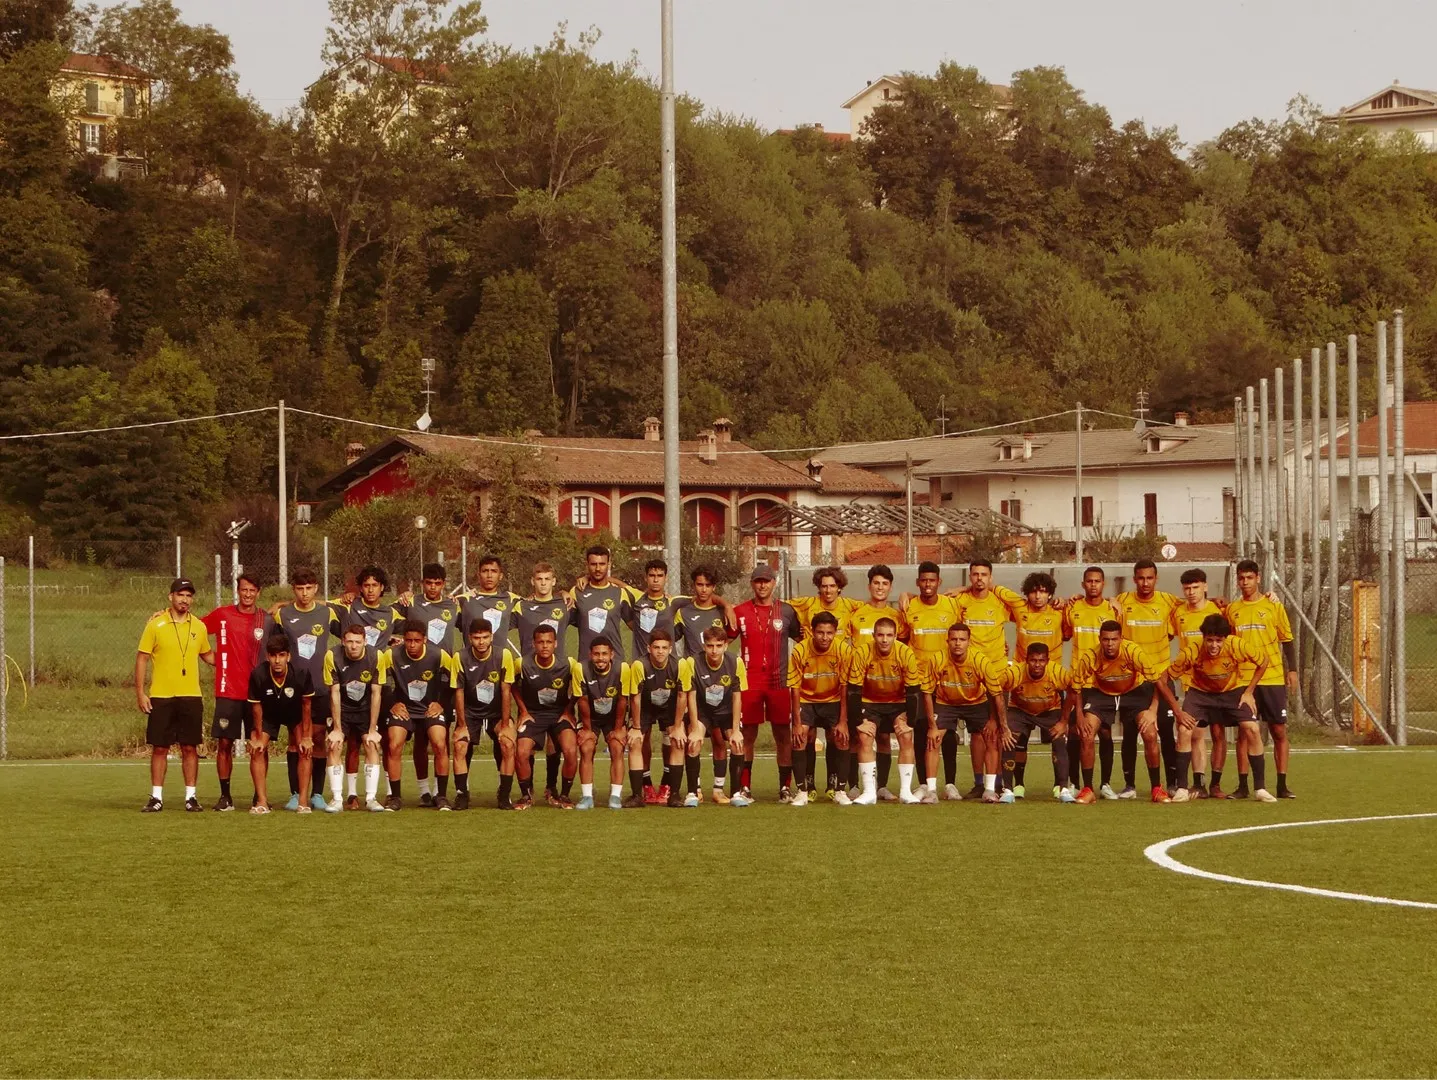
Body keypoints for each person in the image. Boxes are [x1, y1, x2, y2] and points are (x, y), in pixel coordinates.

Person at [627, 558, 734, 796]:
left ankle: (669, 783)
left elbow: (705, 597)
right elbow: (616, 586)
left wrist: (726, 604)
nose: (655, 580)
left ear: (666, 578)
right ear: (646, 577)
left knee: (674, 733)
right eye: (651, 575)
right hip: (643, 674)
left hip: (676, 676)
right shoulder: (635, 598)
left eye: (660, 575)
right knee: (641, 736)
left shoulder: (675, 603)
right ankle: (645, 784)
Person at [1157, 613, 1276, 802]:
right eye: (1210, 640)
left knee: (1252, 729)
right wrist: (1178, 711)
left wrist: (1248, 692)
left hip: (1231, 692)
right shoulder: (1191, 652)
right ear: (1203, 637)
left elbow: (1263, 662)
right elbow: (1162, 681)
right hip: (1200, 694)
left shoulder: (1237, 646)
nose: (1214, 645)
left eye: (1218, 641)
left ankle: (1260, 788)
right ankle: (1182, 788)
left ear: (1225, 639)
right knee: (1184, 730)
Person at [135, 578, 215, 812]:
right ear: (171, 596)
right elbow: (142, 658)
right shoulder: (155, 624)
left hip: (190, 695)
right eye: (180, 594)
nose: (184, 599)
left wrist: (232, 661)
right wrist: (140, 693)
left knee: (190, 747)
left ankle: (191, 797)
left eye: (189, 595)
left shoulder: (198, 626)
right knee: (160, 747)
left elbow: (208, 655)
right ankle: (156, 797)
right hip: (161, 695)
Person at [272, 568, 347, 811]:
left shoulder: (327, 613)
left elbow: (351, 632)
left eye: (309, 588)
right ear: (294, 589)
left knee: (319, 741)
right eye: (299, 588)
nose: (304, 593)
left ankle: (317, 794)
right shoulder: (283, 615)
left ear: (316, 588)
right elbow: (274, 646)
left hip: (321, 687)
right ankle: (295, 794)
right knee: (295, 740)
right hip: (293, 690)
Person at [1071, 621, 1170, 802]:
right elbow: (1075, 688)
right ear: (1099, 639)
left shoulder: (1133, 652)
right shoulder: (1090, 656)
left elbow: (1158, 682)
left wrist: (1154, 710)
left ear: (1121, 639)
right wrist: (1079, 716)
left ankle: (1157, 788)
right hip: (1101, 693)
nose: (1110, 644)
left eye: (1114, 639)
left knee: (1149, 733)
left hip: (1133, 692)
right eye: (1106, 640)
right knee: (1086, 734)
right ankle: (1088, 789)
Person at [1225, 559, 1298, 799]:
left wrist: (1293, 670)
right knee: (1245, 731)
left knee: (1278, 730)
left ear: (1258, 578)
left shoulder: (1273, 605)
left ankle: (1282, 784)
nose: (1245, 582)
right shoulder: (1232, 610)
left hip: (1273, 677)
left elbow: (1286, 639)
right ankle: (1243, 785)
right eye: (1241, 578)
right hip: (1243, 680)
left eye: (1249, 578)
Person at [729, 563, 802, 802]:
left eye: (767, 581)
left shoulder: (787, 611)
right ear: (752, 583)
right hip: (750, 682)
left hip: (779, 681)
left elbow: (803, 640)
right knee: (748, 734)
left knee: (783, 734)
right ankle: (745, 787)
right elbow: (721, 641)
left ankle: (784, 788)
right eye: (758, 581)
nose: (762, 585)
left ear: (774, 583)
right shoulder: (740, 611)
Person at [1113, 559, 1182, 799]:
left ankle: (1171, 782)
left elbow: (1192, 608)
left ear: (1156, 578)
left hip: (1160, 678)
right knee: (1130, 732)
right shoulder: (1122, 601)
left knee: (1165, 729)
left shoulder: (1168, 602)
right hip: (1131, 680)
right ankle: (1130, 785)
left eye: (1149, 578)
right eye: (1140, 578)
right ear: (1134, 579)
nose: (1145, 583)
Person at [199, 571, 267, 811]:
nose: (247, 594)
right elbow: (194, 629)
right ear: (237, 591)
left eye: (252, 590)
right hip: (228, 690)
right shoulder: (223, 614)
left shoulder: (265, 619)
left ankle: (259, 795)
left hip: (256, 694)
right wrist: (212, 658)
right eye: (243, 589)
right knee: (224, 743)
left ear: (258, 593)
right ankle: (225, 796)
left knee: (258, 744)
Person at [924, 623, 1009, 804]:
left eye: (962, 640)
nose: (957, 643)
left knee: (991, 738)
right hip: (945, 702)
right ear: (947, 641)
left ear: (969, 642)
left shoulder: (980, 661)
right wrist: (932, 725)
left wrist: (995, 720)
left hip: (976, 703)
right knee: (933, 739)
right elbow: (926, 693)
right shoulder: (937, 659)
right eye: (954, 639)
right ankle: (931, 791)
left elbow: (997, 694)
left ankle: (989, 790)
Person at [401, 563, 463, 807]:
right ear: (422, 583)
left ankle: (440, 791)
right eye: (429, 583)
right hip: (414, 677)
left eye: (438, 583)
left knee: (440, 736)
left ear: (444, 584)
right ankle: (423, 790)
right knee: (419, 739)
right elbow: (388, 621)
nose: (434, 587)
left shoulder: (454, 605)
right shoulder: (410, 603)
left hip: (443, 679)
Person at [512, 562, 574, 801]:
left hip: (557, 677)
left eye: (548, 579)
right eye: (539, 579)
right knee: (526, 746)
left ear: (554, 581)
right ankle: (527, 793)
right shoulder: (522, 605)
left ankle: (552, 788)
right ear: (532, 581)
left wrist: (569, 593)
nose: (543, 583)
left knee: (556, 744)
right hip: (530, 677)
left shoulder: (565, 604)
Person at [846, 617, 925, 805]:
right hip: (870, 701)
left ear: (896, 636)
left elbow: (914, 691)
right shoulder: (862, 652)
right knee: (865, 738)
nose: (884, 639)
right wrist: (859, 721)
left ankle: (905, 792)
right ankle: (869, 792)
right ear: (873, 635)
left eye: (889, 635)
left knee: (906, 737)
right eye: (880, 635)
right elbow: (853, 690)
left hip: (897, 702)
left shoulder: (905, 653)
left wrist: (910, 722)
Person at [382, 619, 458, 811]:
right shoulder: (391, 655)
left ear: (425, 639)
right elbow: (381, 682)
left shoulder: (439, 655)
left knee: (440, 742)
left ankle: (440, 796)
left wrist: (440, 703)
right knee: (393, 744)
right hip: (404, 710)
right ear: (403, 640)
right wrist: (393, 703)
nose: (412, 645)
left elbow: (454, 681)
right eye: (408, 640)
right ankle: (395, 796)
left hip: (429, 709)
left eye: (417, 640)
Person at [901, 562, 961, 799]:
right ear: (918, 582)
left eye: (932, 580)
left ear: (939, 582)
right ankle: (924, 783)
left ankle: (950, 783)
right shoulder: (909, 606)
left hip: (945, 680)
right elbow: (904, 641)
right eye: (923, 580)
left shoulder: (951, 605)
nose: (927, 585)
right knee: (922, 731)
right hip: (917, 681)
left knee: (948, 732)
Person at [1007, 571, 1069, 798]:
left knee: (1057, 736)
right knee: (1019, 739)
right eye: (1033, 591)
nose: (1038, 596)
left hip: (1051, 685)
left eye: (1043, 591)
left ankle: (1059, 785)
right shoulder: (1020, 611)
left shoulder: (1060, 614)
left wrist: (1071, 598)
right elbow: (992, 591)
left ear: (1051, 594)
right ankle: (1018, 784)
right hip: (1023, 683)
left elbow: (1081, 604)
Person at [1064, 566, 1121, 797]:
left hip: (1104, 682)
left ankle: (1105, 783)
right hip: (1078, 681)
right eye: (1089, 581)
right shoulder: (1073, 608)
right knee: (1076, 731)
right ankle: (1075, 782)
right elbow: (1065, 634)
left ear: (1103, 584)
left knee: (1105, 733)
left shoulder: (1112, 609)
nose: (1093, 585)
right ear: (1083, 584)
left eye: (1097, 581)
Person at [510, 625, 579, 809]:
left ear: (556, 643)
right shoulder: (521, 664)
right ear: (534, 644)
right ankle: (526, 795)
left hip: (559, 715)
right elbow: (510, 685)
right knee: (522, 752)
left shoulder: (569, 664)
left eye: (549, 642)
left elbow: (581, 688)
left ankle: (562, 794)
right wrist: (523, 711)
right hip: (533, 715)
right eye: (540, 642)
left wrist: (568, 710)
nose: (545, 646)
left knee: (571, 750)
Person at [788, 611, 854, 804]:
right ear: (811, 632)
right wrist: (797, 723)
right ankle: (802, 791)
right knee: (800, 739)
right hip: (807, 702)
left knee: (841, 738)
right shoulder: (800, 650)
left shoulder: (843, 650)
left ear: (835, 633)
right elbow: (795, 687)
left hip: (833, 700)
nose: (825, 637)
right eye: (820, 632)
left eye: (829, 633)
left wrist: (843, 721)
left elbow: (844, 687)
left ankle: (840, 790)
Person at [1168, 567, 1223, 797]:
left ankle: (1208, 784)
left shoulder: (1218, 611)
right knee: (1194, 732)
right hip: (1190, 683)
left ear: (1205, 587)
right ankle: (1196, 783)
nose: (1191, 592)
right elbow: (1167, 636)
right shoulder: (1178, 613)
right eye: (1187, 588)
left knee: (1213, 733)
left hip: (1216, 682)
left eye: (1195, 587)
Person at [453, 621, 519, 810]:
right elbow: (459, 692)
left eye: (484, 637)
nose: (481, 642)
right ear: (469, 638)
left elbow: (506, 691)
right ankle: (462, 794)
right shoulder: (460, 657)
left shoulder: (503, 655)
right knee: (459, 745)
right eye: (476, 638)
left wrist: (505, 725)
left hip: (496, 712)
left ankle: (504, 795)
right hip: (470, 712)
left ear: (491, 637)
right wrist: (461, 725)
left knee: (508, 743)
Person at [246, 632, 314, 815]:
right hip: (268, 715)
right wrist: (258, 737)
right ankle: (261, 802)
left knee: (305, 749)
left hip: (294, 714)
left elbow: (306, 705)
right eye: (273, 655)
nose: (277, 660)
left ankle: (303, 802)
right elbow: (257, 708)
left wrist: (307, 737)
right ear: (268, 656)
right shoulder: (258, 674)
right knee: (257, 749)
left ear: (288, 656)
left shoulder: (301, 674)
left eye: (281, 655)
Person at [323, 624, 388, 811]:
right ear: (343, 641)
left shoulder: (376, 656)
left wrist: (372, 729)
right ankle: (336, 799)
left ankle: (371, 798)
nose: (353, 646)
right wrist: (336, 728)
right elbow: (334, 693)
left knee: (371, 744)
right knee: (334, 744)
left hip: (365, 709)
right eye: (349, 642)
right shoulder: (332, 656)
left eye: (358, 642)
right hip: (341, 709)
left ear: (365, 642)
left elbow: (377, 693)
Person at [1004, 642, 1078, 803]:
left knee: (1059, 739)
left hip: (1049, 710)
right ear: (1026, 660)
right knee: (1010, 739)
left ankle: (1063, 788)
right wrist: (1003, 724)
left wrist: (1064, 721)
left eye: (1041, 660)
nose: (1037, 664)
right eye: (1033, 660)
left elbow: (1073, 691)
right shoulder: (1015, 672)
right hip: (1019, 709)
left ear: (1048, 660)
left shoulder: (1058, 672)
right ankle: (1009, 789)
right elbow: (999, 690)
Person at [629, 629, 695, 807]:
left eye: (664, 647)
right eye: (656, 647)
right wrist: (636, 727)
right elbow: (635, 698)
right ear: (648, 648)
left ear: (670, 649)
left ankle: (674, 794)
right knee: (636, 742)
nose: (660, 651)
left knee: (678, 741)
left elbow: (683, 695)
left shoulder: (680, 665)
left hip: (670, 707)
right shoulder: (639, 665)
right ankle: (637, 794)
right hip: (645, 707)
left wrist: (678, 725)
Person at [571, 639, 636, 810]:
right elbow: (582, 701)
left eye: (604, 654)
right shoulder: (580, 668)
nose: (600, 658)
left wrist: (618, 729)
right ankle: (587, 796)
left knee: (616, 747)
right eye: (596, 654)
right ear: (590, 654)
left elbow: (623, 700)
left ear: (611, 655)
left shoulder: (622, 669)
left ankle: (615, 796)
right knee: (586, 747)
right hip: (590, 717)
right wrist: (587, 729)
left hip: (614, 717)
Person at [687, 626, 748, 807]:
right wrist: (694, 728)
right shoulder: (692, 662)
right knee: (694, 743)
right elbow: (690, 696)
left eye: (718, 646)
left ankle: (735, 793)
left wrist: (736, 730)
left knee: (738, 743)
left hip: (726, 711)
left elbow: (737, 698)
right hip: (703, 711)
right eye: (710, 646)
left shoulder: (736, 662)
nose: (714, 650)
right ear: (704, 646)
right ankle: (692, 793)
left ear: (725, 646)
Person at [569, 545, 636, 660]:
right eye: (594, 564)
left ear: (609, 565)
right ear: (587, 565)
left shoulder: (620, 593)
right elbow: (559, 619)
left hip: (615, 662)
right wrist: (561, 593)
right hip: (587, 662)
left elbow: (634, 626)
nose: (598, 568)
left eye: (602, 564)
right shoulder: (576, 592)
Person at [457, 554, 522, 649]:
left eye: (494, 571)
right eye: (485, 571)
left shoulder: (511, 599)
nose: (489, 575)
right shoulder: (464, 600)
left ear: (500, 576)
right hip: (471, 661)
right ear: (478, 575)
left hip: (499, 660)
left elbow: (533, 606)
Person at [792, 566, 862, 639]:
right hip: (811, 649)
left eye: (832, 586)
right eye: (824, 586)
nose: (828, 590)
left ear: (839, 588)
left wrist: (851, 630)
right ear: (819, 588)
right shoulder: (808, 603)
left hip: (838, 649)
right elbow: (782, 607)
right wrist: (795, 631)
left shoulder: (848, 604)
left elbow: (870, 610)